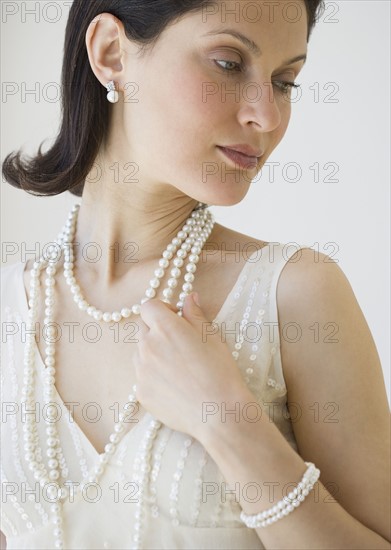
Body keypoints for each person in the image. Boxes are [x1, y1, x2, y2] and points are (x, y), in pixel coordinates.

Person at [1, 1, 390, 549]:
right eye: (229, 64)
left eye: (284, 81)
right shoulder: (11, 310)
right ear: (111, 53)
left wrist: (230, 422)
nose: (267, 116)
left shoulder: (298, 295)